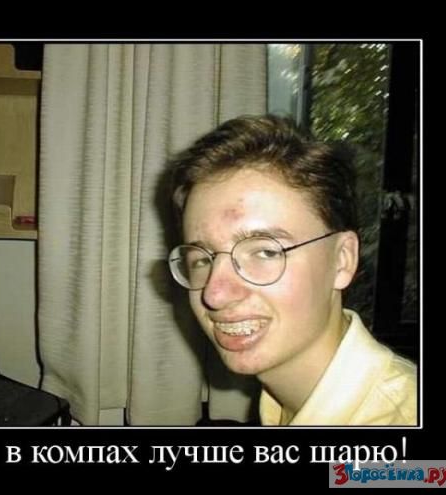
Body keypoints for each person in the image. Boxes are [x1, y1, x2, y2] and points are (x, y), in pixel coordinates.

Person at [166, 114, 417, 426]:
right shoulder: (283, 398)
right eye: (202, 259)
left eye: (265, 251)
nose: (214, 295)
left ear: (342, 259)